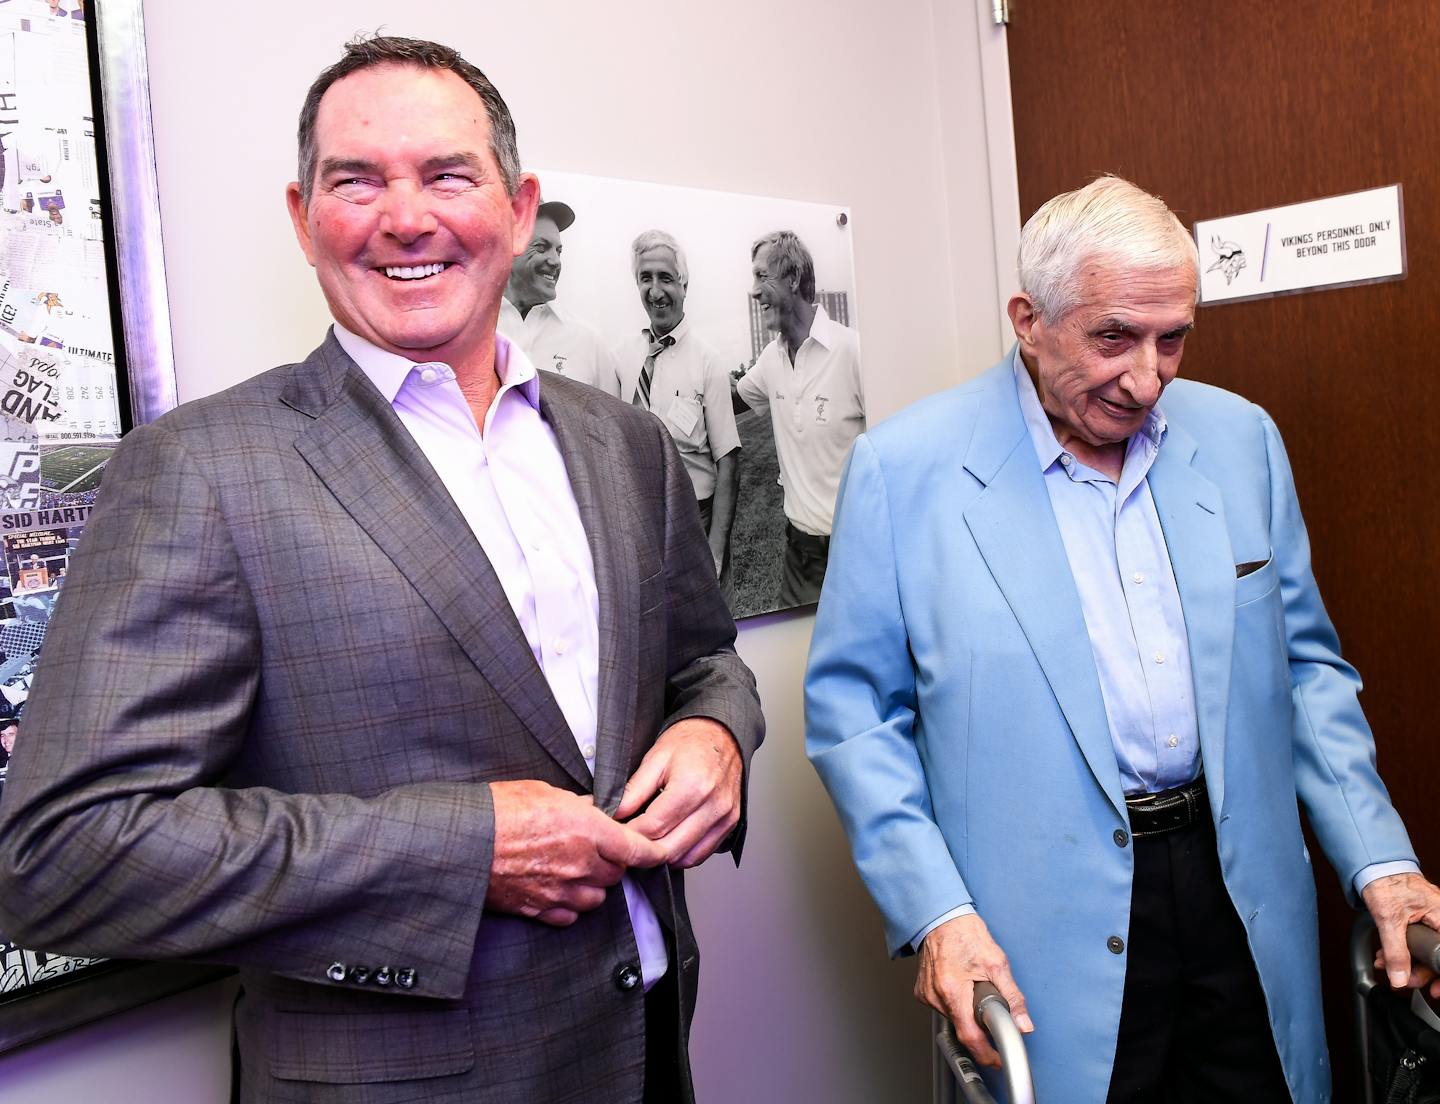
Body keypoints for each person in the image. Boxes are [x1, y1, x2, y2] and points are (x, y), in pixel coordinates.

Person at [0, 36, 764, 1104]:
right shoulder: (203, 469)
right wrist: (464, 850)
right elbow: (63, 856)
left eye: (449, 175)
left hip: (644, 1053)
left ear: (518, 204)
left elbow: (704, 660)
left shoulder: (621, 443)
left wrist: (717, 732)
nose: (407, 218)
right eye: (357, 181)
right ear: (303, 216)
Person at [804, 175, 1440, 1103]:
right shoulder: (906, 473)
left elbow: (1306, 674)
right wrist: (936, 911)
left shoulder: (1241, 440)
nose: (1147, 377)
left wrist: (1382, 862)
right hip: (1041, 929)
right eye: (1113, 337)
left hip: (1238, 893)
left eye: (1171, 337)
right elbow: (856, 719)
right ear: (1028, 318)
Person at [734, 230, 864, 607]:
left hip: (854, 553)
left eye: (762, 276)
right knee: (800, 661)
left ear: (792, 278)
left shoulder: (852, 350)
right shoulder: (770, 360)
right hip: (799, 557)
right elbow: (731, 402)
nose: (755, 291)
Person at [616, 230, 741, 584]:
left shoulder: (708, 362)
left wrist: (715, 551)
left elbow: (728, 462)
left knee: (705, 634)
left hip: (694, 520)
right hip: (641, 522)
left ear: (685, 285)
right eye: (646, 278)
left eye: (666, 278)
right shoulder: (622, 358)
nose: (656, 291)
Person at [499, 198, 621, 396]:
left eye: (559, 250)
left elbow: (612, 423)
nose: (555, 261)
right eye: (541, 247)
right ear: (508, 249)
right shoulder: (475, 333)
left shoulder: (588, 343)